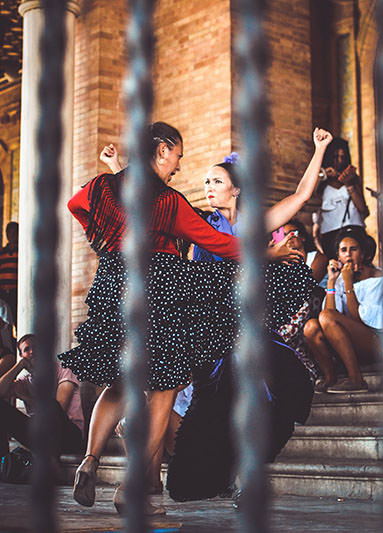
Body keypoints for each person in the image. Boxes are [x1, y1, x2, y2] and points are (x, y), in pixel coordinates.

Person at [59, 122, 332, 513]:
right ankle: (138, 488)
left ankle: (92, 460)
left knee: (124, 381)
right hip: (169, 294)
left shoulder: (106, 188)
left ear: (236, 189)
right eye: (179, 157)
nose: (184, 170)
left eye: (215, 179)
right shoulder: (175, 205)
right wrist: (268, 256)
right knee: (162, 390)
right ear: (163, 149)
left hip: (118, 285)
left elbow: (88, 205)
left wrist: (102, 236)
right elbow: (218, 245)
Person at [304, 228, 383, 393]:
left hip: (377, 343)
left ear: (363, 254)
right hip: (347, 343)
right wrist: (331, 283)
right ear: (338, 256)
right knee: (311, 326)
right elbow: (326, 318)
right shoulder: (341, 278)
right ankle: (330, 378)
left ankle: (356, 379)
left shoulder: (378, 278)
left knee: (327, 317)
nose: (348, 254)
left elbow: (359, 319)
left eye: (353, 249)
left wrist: (348, 284)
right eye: (343, 250)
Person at [0, 334, 84, 464]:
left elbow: (59, 407)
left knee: (51, 406)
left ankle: (51, 464)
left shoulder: (64, 369)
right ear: (22, 356)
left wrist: (26, 397)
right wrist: (18, 366)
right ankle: (4, 463)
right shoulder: (25, 381)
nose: (32, 351)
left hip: (69, 435)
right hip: (41, 437)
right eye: (27, 349)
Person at [312, 138, 369, 260]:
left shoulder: (353, 178)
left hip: (353, 228)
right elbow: (309, 200)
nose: (339, 161)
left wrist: (349, 185)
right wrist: (323, 175)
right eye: (335, 156)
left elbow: (363, 209)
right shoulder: (320, 179)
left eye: (342, 157)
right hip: (330, 232)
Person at [0, 222, 18, 327]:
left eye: (14, 232)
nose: (12, 235)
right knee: (4, 323)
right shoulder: (2, 252)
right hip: (2, 293)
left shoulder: (21, 251)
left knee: (16, 319)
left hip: (15, 292)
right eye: (9, 232)